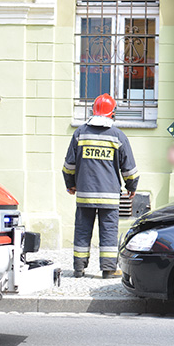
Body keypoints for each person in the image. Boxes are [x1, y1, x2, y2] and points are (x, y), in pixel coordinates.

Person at [62, 94, 139, 279]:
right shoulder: (118, 136)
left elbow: (68, 166)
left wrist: (70, 184)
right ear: (112, 114)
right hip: (109, 196)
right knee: (109, 232)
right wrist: (132, 186)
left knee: (82, 230)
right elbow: (129, 169)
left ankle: (79, 269)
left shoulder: (80, 133)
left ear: (93, 112)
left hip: (85, 194)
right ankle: (108, 269)